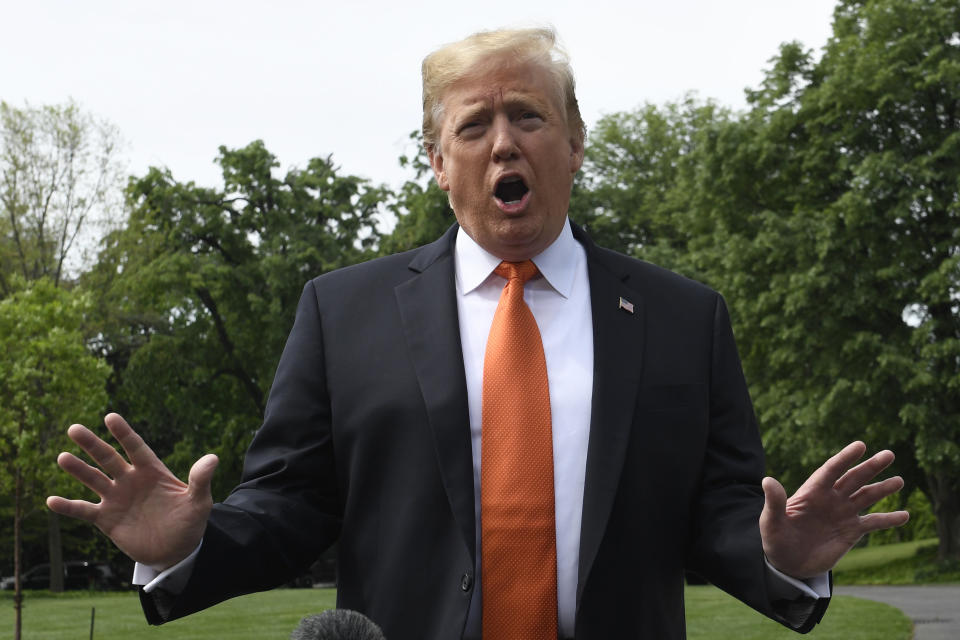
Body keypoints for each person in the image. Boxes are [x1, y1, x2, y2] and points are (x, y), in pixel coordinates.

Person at [47, 28, 909, 640]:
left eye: (529, 116)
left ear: (574, 142)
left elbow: (720, 511)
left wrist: (783, 554)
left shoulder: (684, 317)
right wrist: (191, 544)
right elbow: (292, 503)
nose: (505, 142)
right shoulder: (341, 312)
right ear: (434, 157)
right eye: (474, 124)